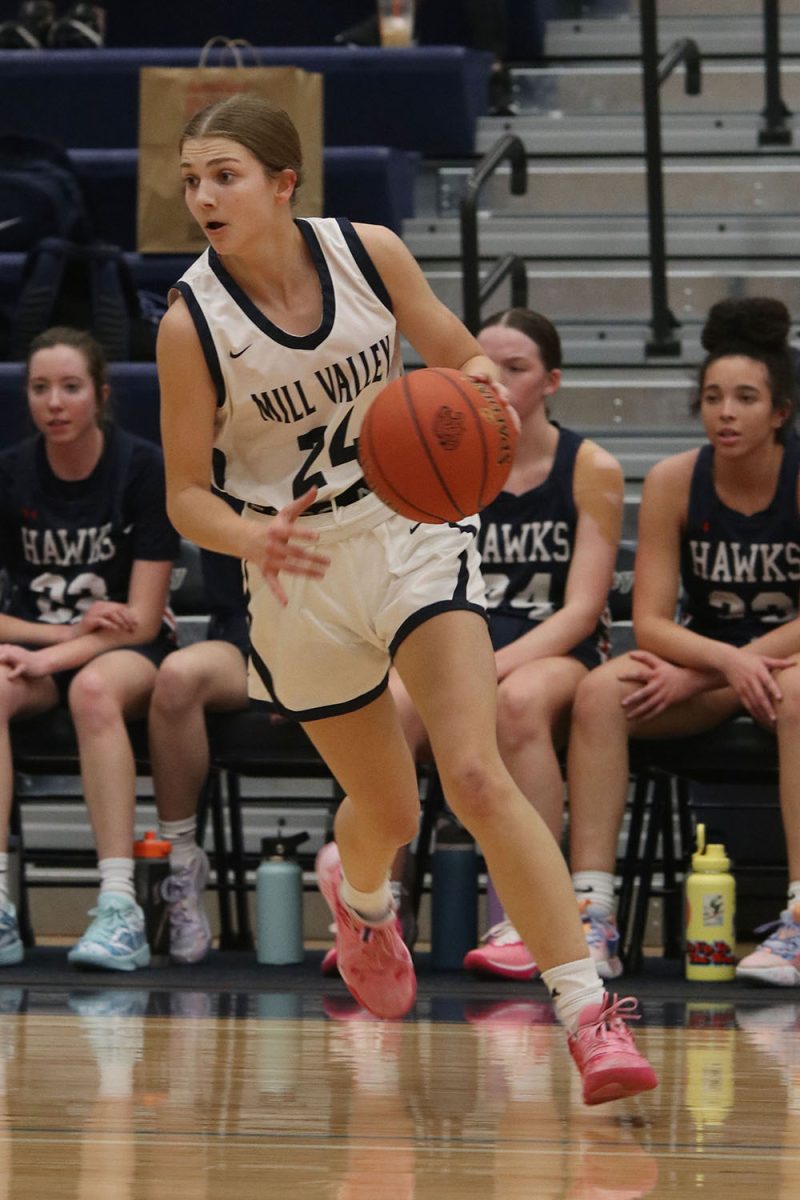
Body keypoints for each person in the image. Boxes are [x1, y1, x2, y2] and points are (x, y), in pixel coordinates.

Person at [156, 92, 656, 1105]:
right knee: (381, 807)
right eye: (192, 179)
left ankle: (585, 1009)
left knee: (473, 772)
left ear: (282, 181)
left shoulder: (367, 252)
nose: (203, 194)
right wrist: (254, 533)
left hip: (407, 528)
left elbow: (460, 353)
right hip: (293, 570)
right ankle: (364, 899)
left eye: (224, 174)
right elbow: (182, 494)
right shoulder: (188, 322)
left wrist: (475, 394)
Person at [565, 296, 800, 987]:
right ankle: (592, 911)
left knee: (797, 694)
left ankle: (797, 920)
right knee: (599, 693)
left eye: (746, 398)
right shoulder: (675, 480)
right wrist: (722, 665)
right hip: (714, 661)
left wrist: (714, 671)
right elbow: (655, 622)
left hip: (782, 668)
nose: (725, 412)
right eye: (712, 397)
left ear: (779, 413)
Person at [389, 307, 625, 982]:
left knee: (517, 703)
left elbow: (582, 610)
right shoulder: (438, 465)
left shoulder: (591, 468)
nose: (496, 385)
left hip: (553, 653)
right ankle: (379, 911)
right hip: (464, 647)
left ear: (550, 381)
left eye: (516, 371)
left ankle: (528, 916)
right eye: (483, 372)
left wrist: (488, 668)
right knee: (391, 704)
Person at [0, 325, 179, 970]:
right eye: (40, 388)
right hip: (51, 646)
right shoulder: (10, 473)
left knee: (95, 688)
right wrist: (66, 638)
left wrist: (62, 655)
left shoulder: (141, 466)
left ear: (100, 394)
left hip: (128, 655)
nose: (54, 402)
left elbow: (140, 620)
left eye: (70, 387)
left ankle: (118, 906)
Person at [148, 546, 250, 964]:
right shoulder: (228, 485)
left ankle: (380, 898)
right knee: (176, 676)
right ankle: (182, 862)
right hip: (243, 646)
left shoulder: (357, 484)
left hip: (342, 650)